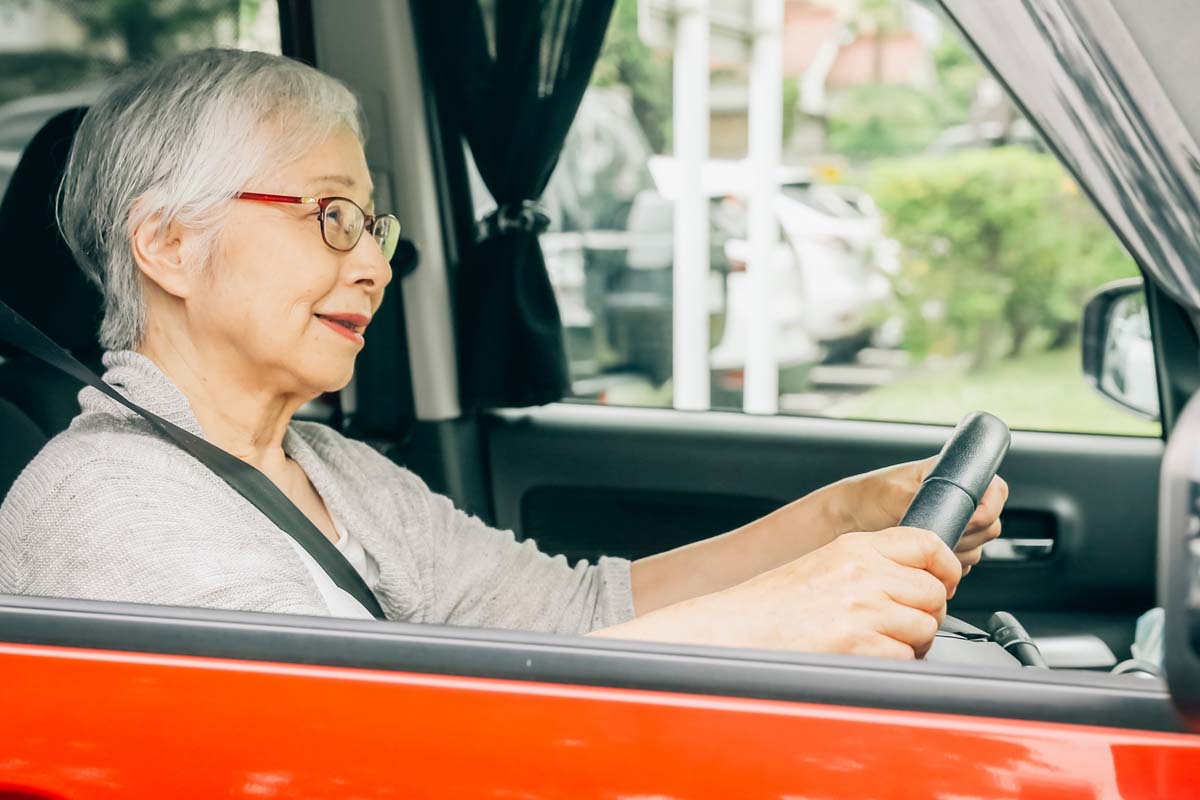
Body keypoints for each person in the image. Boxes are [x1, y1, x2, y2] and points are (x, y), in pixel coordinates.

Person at [0, 49, 1006, 659]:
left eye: (373, 226)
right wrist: (768, 621)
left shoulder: (329, 468)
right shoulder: (106, 507)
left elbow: (573, 613)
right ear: (169, 244)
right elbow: (357, 749)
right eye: (332, 216)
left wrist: (835, 521)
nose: (375, 266)